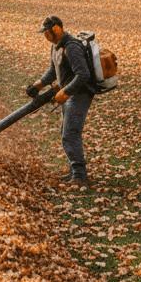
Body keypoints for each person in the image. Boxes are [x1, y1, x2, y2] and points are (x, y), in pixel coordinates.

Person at [26, 15, 95, 188]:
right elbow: (53, 69)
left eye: (47, 32)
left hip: (79, 94)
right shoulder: (55, 46)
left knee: (70, 134)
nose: (45, 36)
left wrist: (66, 91)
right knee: (66, 132)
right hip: (68, 94)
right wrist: (38, 85)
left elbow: (84, 75)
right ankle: (74, 172)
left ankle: (80, 177)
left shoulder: (71, 47)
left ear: (56, 30)